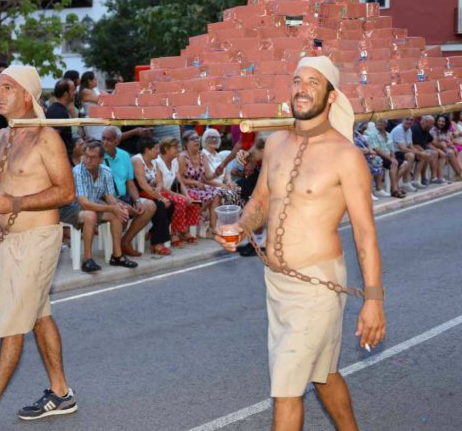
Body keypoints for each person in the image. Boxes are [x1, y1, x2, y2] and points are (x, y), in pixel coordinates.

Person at [216, 55, 385, 429]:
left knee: (287, 389)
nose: (301, 88)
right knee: (324, 375)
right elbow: (260, 201)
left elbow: (365, 233)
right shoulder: (274, 143)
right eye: (296, 80)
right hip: (277, 284)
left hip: (317, 285)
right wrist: (241, 229)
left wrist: (373, 300)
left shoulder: (346, 156)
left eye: (312, 82)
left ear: (330, 96)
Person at [0, 65, 78, 430]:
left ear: (27, 95)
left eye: (8, 87)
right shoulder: (3, 138)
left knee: (12, 324)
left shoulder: (46, 138)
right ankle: (61, 391)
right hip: (9, 241)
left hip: (38, 240)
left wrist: (16, 206)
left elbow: (66, 193)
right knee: (38, 315)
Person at [70, 139, 138, 271]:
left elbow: (109, 196)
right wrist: (111, 207)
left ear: (101, 159)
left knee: (117, 213)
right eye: (86, 156)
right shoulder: (78, 171)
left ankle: (117, 256)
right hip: (72, 208)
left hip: (94, 205)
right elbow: (84, 203)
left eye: (93, 157)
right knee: (90, 215)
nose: (88, 160)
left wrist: (117, 206)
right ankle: (87, 259)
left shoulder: (106, 171)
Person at [100, 126, 156, 257]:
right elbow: (102, 192)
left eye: (109, 140)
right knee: (122, 211)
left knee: (149, 206)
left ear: (117, 141)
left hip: (124, 197)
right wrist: (122, 204)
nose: (104, 142)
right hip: (106, 199)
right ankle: (117, 250)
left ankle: (126, 241)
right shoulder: (99, 156)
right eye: (103, 139)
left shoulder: (124, 155)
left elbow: (130, 182)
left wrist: (136, 201)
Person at [132, 137, 174, 255]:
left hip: (152, 193)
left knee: (171, 205)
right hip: (138, 196)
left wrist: (158, 189)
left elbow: (159, 181)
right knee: (160, 205)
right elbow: (143, 185)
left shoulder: (155, 161)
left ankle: (153, 232)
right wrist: (160, 197)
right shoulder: (137, 160)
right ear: (147, 150)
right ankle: (157, 243)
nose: (158, 151)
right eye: (155, 148)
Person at [154, 136, 199, 247]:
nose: (178, 149)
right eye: (175, 147)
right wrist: (180, 195)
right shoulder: (157, 162)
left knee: (194, 199)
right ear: (166, 149)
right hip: (159, 193)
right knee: (180, 200)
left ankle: (185, 231)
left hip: (170, 192)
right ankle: (174, 233)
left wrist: (187, 195)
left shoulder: (174, 161)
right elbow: (161, 187)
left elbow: (180, 181)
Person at [178, 129, 223, 233]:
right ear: (186, 143)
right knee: (209, 194)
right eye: (193, 139)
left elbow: (207, 177)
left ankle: (212, 228)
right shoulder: (182, 157)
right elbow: (179, 179)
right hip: (187, 188)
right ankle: (188, 223)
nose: (196, 141)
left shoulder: (202, 155)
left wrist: (216, 173)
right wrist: (195, 183)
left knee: (216, 193)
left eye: (197, 138)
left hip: (201, 187)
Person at [430, 115, 462, 180]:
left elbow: (448, 141)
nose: (440, 123)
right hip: (436, 148)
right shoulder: (434, 130)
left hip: (445, 148)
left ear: (445, 123)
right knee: (450, 152)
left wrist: (452, 147)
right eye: (439, 121)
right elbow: (433, 142)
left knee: (454, 151)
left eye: (443, 122)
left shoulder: (445, 130)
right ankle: (460, 173)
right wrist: (443, 145)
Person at [45, 78, 76, 164]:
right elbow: (51, 139)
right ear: (66, 94)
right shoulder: (58, 112)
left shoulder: (59, 109)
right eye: (73, 90)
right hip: (61, 162)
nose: (75, 92)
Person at [389, 118, 424, 192]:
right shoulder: (398, 129)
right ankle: (405, 182)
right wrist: (418, 153)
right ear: (402, 120)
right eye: (407, 119)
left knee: (422, 156)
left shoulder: (409, 130)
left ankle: (415, 180)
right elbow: (403, 149)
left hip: (401, 152)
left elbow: (410, 145)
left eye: (411, 120)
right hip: (394, 152)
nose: (409, 121)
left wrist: (420, 152)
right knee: (410, 155)